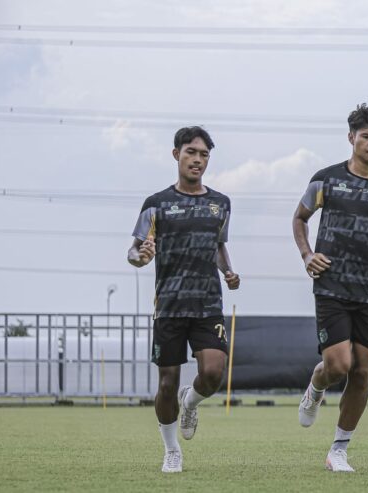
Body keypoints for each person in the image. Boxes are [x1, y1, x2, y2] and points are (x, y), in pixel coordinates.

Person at [292, 104, 368, 473]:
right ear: (351, 138)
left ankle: (338, 449)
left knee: (362, 370)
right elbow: (299, 218)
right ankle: (316, 384)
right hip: (332, 285)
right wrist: (308, 254)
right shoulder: (326, 179)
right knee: (339, 365)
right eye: (367, 137)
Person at [128, 126, 240, 473]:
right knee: (166, 382)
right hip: (170, 306)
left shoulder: (220, 204)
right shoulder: (156, 205)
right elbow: (134, 250)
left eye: (204, 154)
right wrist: (141, 257)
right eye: (191, 152)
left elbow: (219, 245)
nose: (198, 159)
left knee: (213, 372)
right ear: (176, 154)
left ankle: (190, 403)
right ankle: (171, 449)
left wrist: (229, 271)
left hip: (207, 303)